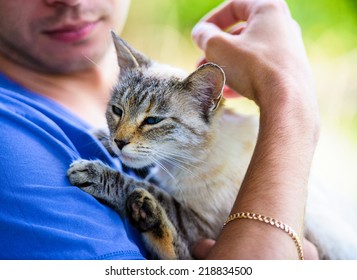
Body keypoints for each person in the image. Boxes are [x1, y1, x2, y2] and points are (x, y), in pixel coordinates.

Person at [0, 0, 319, 260]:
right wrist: (288, 99)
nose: (121, 137)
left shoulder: (160, 97)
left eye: (150, 123)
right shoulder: (11, 139)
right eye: (117, 114)